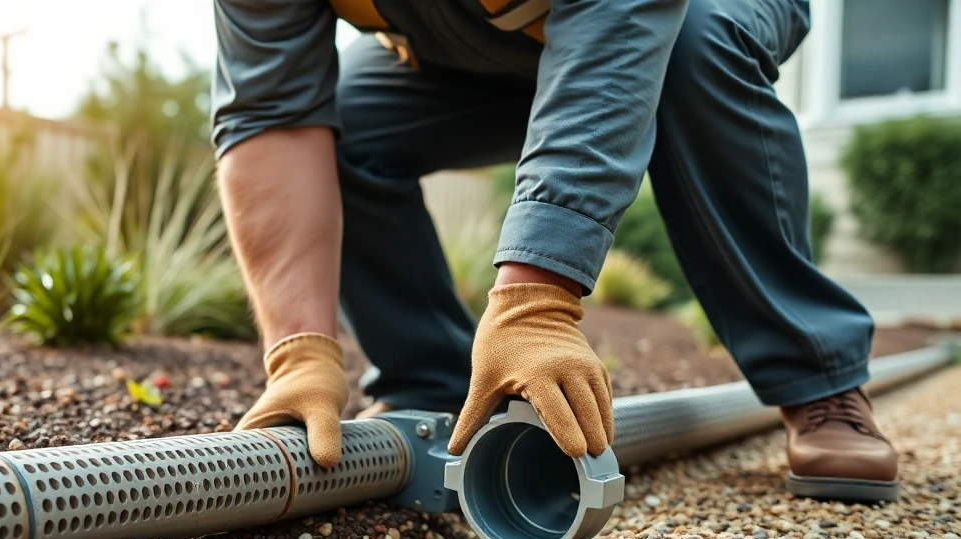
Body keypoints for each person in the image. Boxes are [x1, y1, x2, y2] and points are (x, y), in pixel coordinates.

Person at [214, 0, 900, 503]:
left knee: (696, 41)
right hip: (489, 38)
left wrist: (534, 302)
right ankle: (434, 389)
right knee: (349, 123)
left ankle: (819, 380)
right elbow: (273, 112)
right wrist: (299, 351)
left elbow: (624, 15)